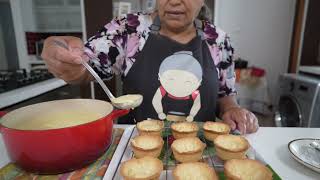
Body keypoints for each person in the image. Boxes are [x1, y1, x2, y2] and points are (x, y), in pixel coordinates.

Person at [41, 0, 259, 134]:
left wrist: (232, 110)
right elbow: (86, 66)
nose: (174, 1)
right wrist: (67, 61)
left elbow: (226, 94)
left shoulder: (218, 40)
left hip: (200, 149)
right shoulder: (128, 29)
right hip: (135, 145)